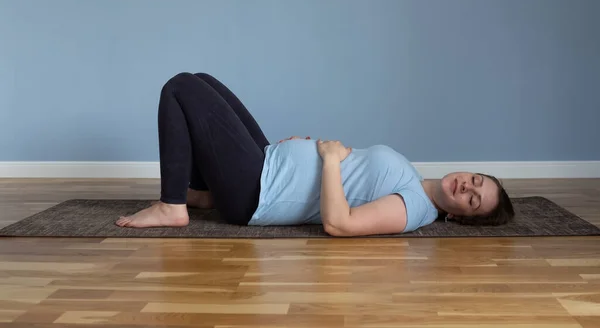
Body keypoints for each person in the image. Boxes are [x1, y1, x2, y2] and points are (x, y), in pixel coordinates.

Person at [116, 72, 515, 236]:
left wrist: (327, 159)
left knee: (180, 88)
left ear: (460, 215)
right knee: (203, 81)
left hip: (257, 194)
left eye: (472, 200)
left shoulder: (415, 209)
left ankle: (173, 206)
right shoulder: (414, 176)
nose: (466, 187)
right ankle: (203, 196)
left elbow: (340, 223)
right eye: (475, 181)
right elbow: (352, 173)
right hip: (269, 166)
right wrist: (304, 152)